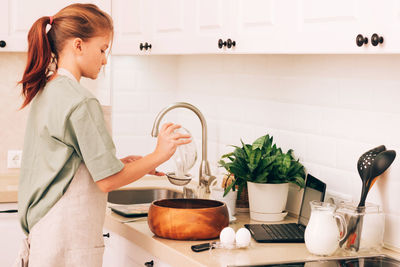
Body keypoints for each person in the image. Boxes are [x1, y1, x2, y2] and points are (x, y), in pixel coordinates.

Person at [14, 3, 191, 267]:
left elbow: (67, 160)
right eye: (102, 49)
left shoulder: (47, 89)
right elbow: (107, 181)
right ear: (78, 45)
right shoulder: (80, 101)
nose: (105, 59)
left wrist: (121, 163)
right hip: (67, 236)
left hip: (46, 231)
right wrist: (158, 155)